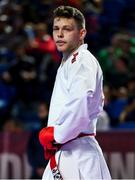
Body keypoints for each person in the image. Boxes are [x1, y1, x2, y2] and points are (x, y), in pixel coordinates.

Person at [39, 5, 111, 179]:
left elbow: (81, 101)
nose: (60, 34)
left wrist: (56, 134)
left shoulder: (83, 60)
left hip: (79, 154)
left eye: (67, 29)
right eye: (56, 29)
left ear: (81, 33)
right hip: (65, 150)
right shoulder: (68, 62)